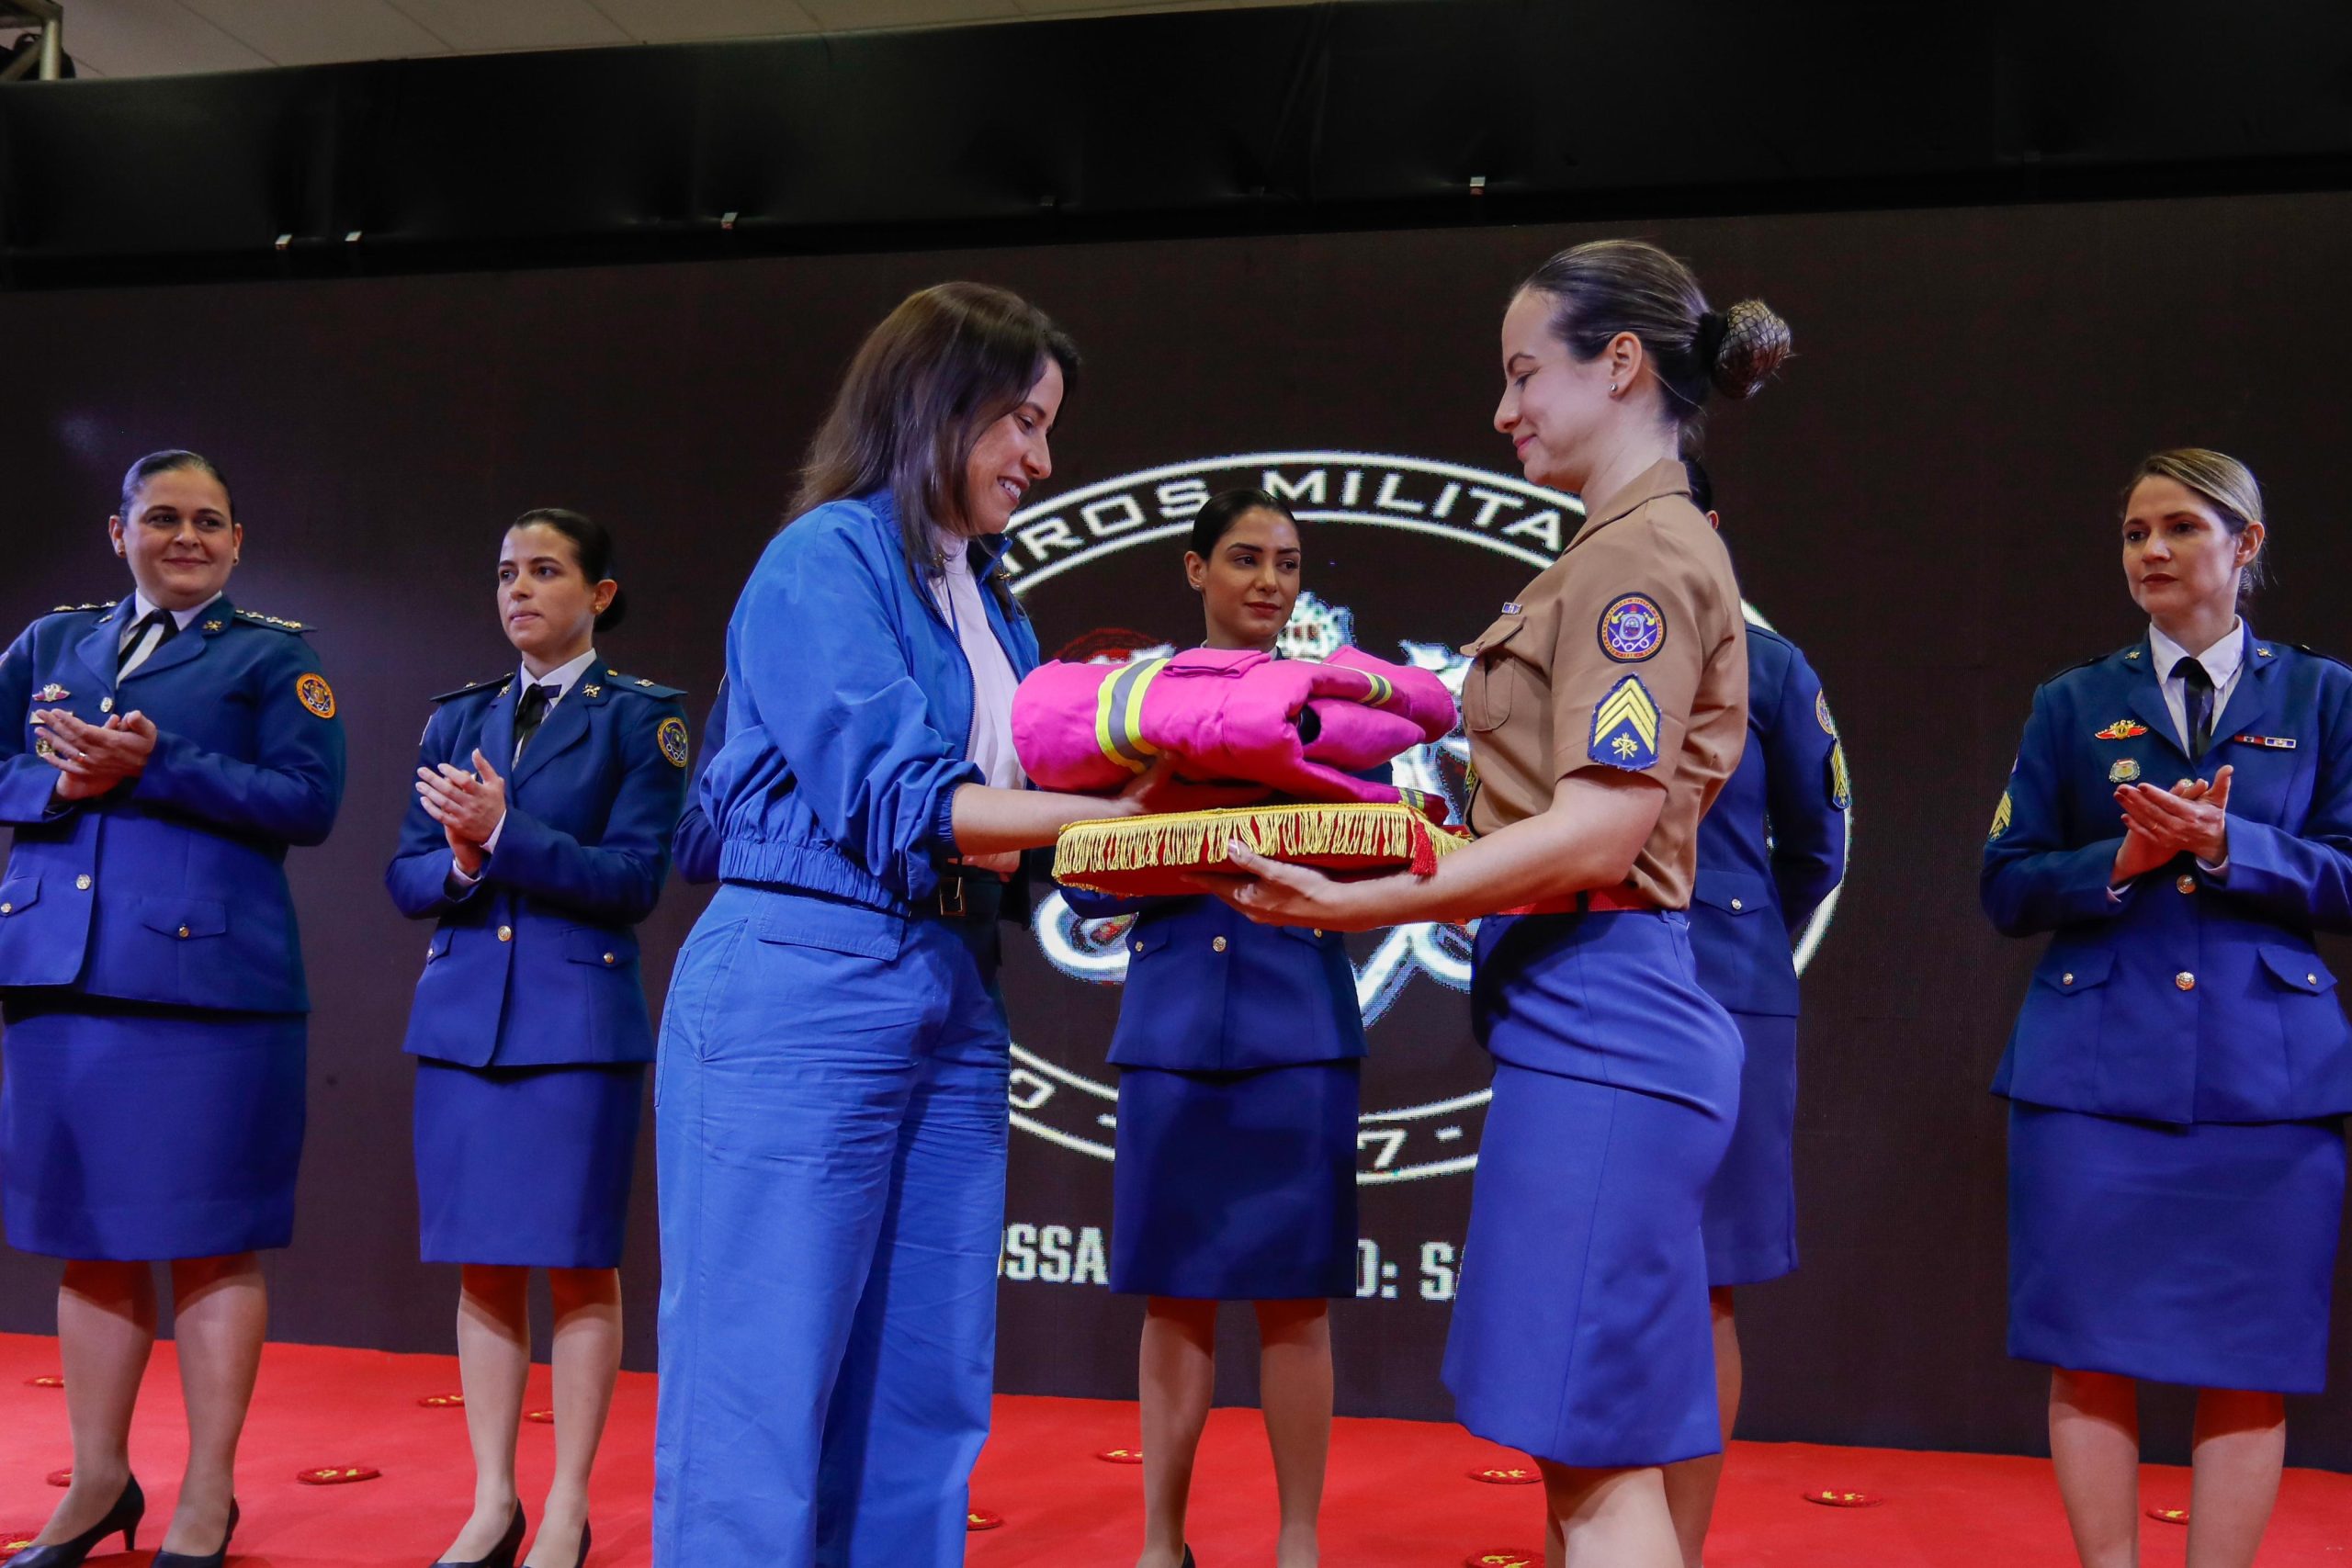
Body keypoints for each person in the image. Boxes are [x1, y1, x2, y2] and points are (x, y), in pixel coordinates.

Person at [1199, 240, 1792, 1568]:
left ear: (1622, 364)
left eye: (1527, 372)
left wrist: (1370, 900)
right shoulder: (1623, 549)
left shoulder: (1636, 562)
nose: (1504, 408)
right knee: (1583, 1449)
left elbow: (1603, 821)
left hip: (1609, 1024)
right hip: (1589, 1014)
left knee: (1595, 1465)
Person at [652, 281, 1197, 1566]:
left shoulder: (995, 604)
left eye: (1048, 427)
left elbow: (1028, 822)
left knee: (925, 1392)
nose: (1041, 459)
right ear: (932, 404)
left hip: (955, 982)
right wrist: (1110, 819)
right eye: (1019, 420)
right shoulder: (823, 556)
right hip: (805, 972)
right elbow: (902, 793)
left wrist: (1163, 824)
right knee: (761, 1391)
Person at [1982, 447, 2351, 1568]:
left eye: (2181, 528)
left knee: (2247, 1360)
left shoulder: (2326, 696)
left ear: (2245, 546)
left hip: (2269, 1086)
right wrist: (2125, 855)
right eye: (2135, 531)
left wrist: (2236, 846)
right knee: (2086, 1353)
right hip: (2090, 1075)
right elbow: (2005, 883)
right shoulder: (2073, 703)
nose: (2151, 551)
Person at [0, 450, 345, 1568]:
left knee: (208, 1240)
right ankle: (99, 1483)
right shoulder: (54, 643)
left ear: (238, 541)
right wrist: (55, 782)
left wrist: (158, 765)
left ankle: (206, 1493)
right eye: (162, 517)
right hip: (60, 979)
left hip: (206, 994)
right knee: (87, 1241)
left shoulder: (273, 654)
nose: (185, 536)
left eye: (208, 521)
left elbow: (309, 802)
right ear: (119, 533)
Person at [1061, 489, 1365, 1568]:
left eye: (1286, 562)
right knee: (1174, 1300)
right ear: (1195, 570)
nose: (1269, 582)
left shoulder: (1346, 714)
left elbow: (1385, 861)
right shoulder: (1131, 711)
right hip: (1169, 1034)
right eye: (1244, 558)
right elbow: (1082, 892)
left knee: (1296, 1307)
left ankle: (1296, 1545)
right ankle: (1160, 1543)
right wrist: (1134, 817)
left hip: (1303, 1037)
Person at [388, 508, 687, 1568]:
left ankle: (566, 1503)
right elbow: (406, 875)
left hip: (575, 1022)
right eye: (507, 571)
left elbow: (634, 880)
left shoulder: (639, 719)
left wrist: (507, 835)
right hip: (466, 1019)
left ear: (599, 594)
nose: (519, 590)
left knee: (576, 1266)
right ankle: (490, 1500)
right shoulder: (454, 718)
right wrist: (465, 862)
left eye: (547, 571)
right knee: (480, 1266)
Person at [1657, 460, 1848, 1567]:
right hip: (1596, 985)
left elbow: (1814, 849)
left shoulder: (1771, 670)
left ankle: (1675, 1548)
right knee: (1600, 1276)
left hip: (1730, 996)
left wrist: (1721, 939)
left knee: (1707, 1282)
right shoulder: (1567, 655)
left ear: (1710, 529)